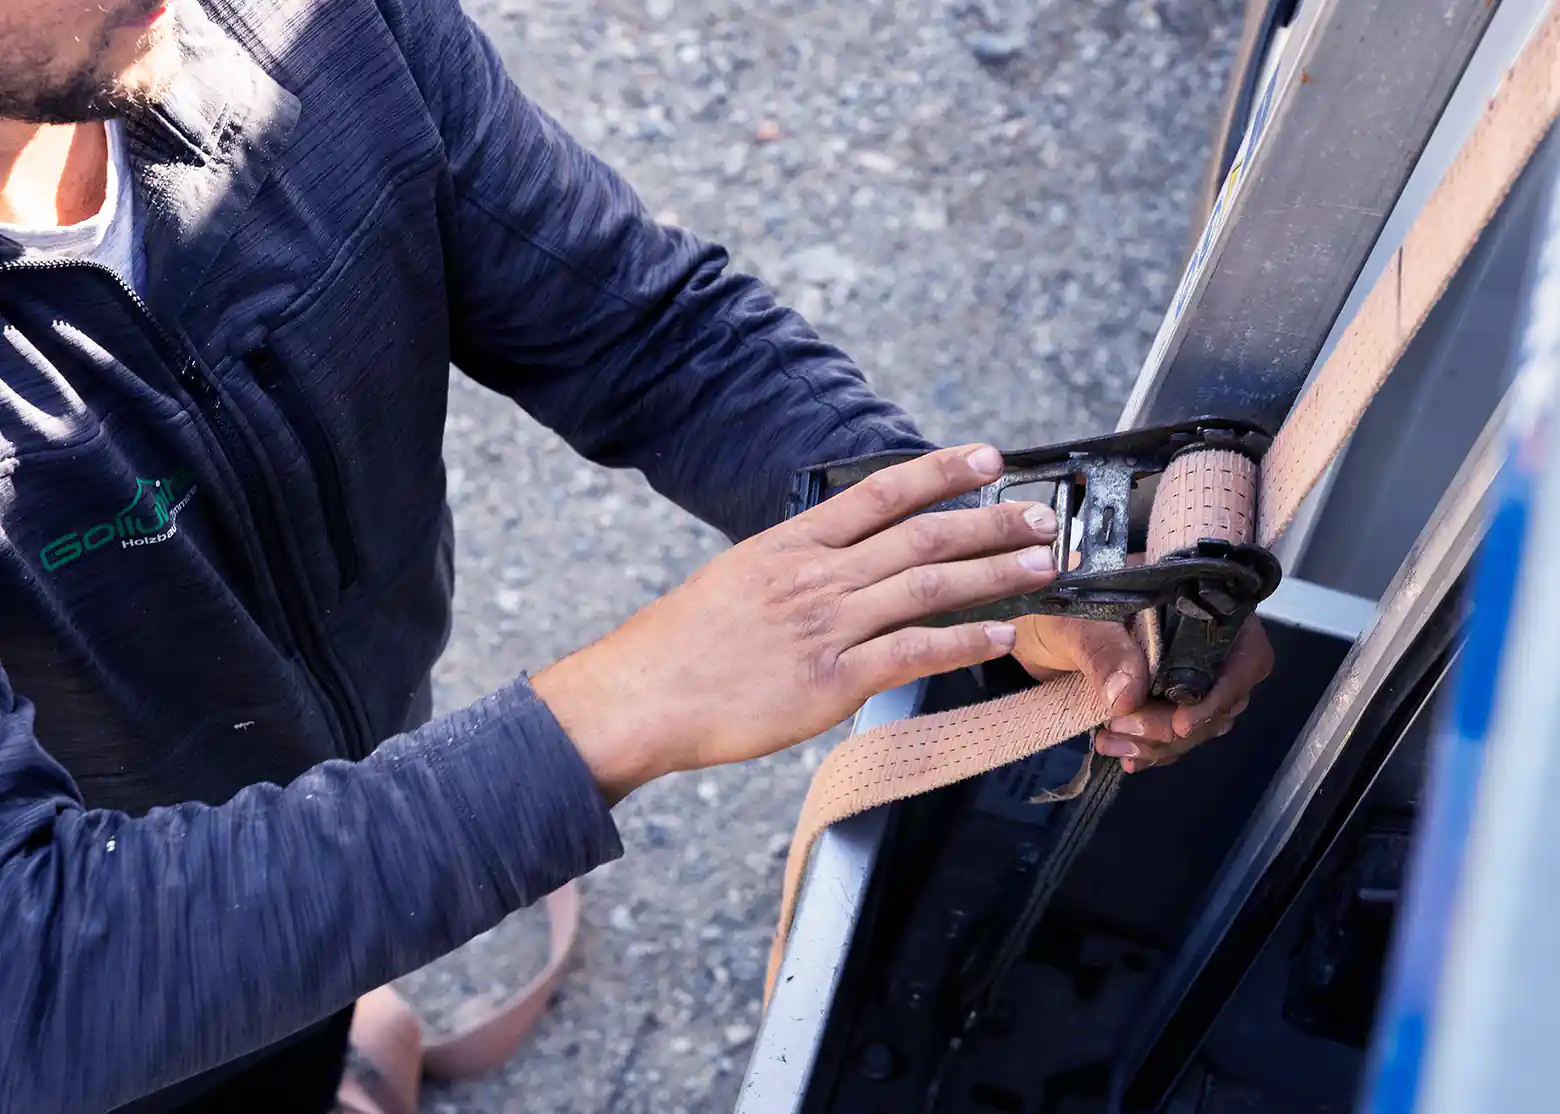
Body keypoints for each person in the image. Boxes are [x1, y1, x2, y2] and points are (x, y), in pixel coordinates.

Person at [0, 0, 1275, 1111]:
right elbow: (37, 981)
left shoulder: (308, 26)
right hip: (102, 973)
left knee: (290, 1014)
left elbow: (642, 330)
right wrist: (618, 710)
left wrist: (994, 557)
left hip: (316, 802)